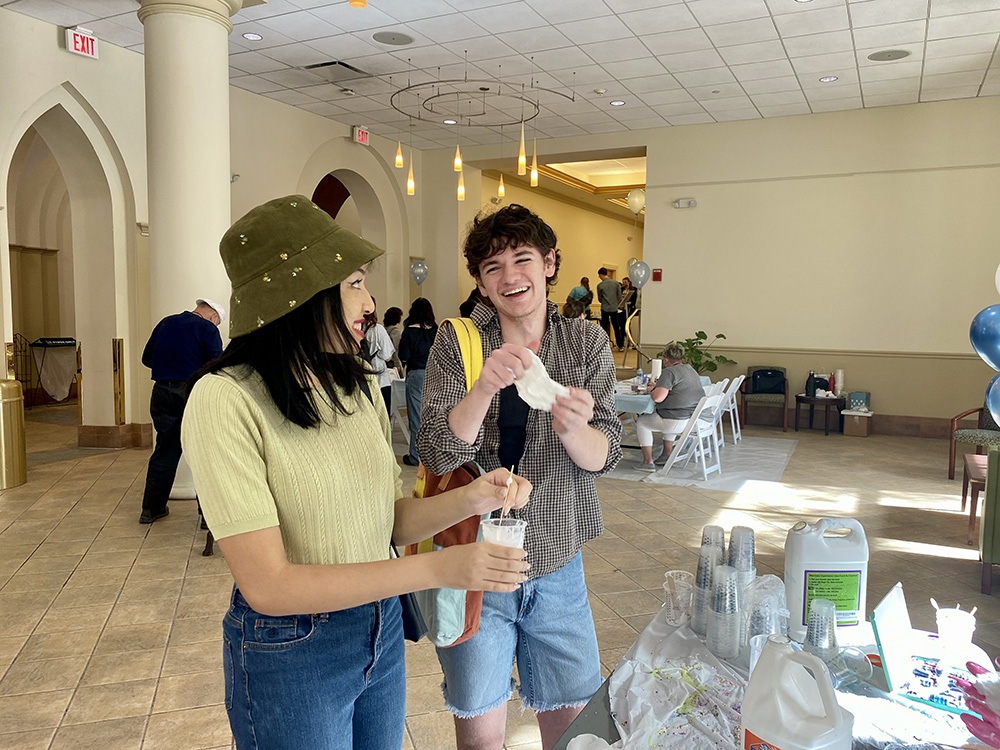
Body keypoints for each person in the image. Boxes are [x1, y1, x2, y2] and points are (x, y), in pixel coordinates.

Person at [181, 195, 531, 750]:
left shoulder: (358, 382)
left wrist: (474, 499)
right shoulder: (224, 399)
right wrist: (440, 568)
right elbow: (268, 585)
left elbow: (385, 522)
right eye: (354, 284)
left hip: (381, 628)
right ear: (297, 295)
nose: (369, 303)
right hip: (293, 648)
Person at [418, 203, 622, 750]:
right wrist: (482, 387)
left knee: (575, 734)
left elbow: (606, 453)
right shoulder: (457, 342)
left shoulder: (584, 343)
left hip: (556, 562)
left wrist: (575, 429)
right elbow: (438, 451)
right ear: (482, 285)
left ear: (550, 263)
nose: (510, 277)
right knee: (481, 736)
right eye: (492, 268)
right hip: (475, 563)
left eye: (522, 259)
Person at [138, 298, 224, 524]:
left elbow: (147, 358)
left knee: (165, 450)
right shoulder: (207, 329)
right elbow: (216, 364)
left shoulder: (165, 323)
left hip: (161, 392)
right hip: (191, 393)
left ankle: (151, 509)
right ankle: (208, 517)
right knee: (203, 452)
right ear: (214, 317)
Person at [636, 342, 704, 471]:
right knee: (665, 418)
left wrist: (652, 390)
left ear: (666, 359)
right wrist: (658, 386)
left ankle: (647, 462)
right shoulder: (690, 369)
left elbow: (658, 397)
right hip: (690, 418)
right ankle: (666, 454)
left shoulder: (669, 372)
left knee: (642, 422)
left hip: (675, 419)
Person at [397, 297, 437, 467]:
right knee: (434, 415)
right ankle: (434, 454)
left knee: (416, 416)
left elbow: (403, 356)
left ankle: (416, 455)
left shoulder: (409, 332)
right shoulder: (436, 330)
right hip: (435, 374)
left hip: (416, 374)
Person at [363, 298, 395, 415]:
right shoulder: (377, 329)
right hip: (380, 378)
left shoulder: (355, 328)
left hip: (362, 377)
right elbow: (387, 356)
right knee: (382, 416)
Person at [596, 267, 624, 350]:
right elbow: (619, 297)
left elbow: (600, 299)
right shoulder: (616, 283)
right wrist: (615, 303)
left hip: (605, 308)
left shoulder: (600, 285)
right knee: (616, 326)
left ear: (601, 275)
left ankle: (605, 345)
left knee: (604, 327)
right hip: (614, 308)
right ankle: (620, 345)